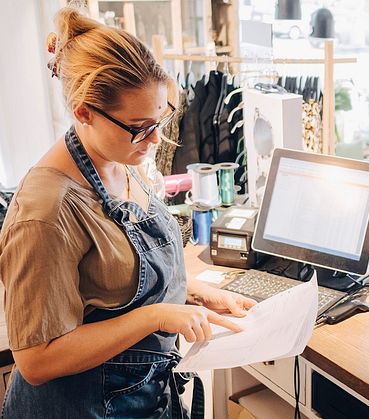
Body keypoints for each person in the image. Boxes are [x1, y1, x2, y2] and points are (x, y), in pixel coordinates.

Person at [0, 6, 255, 418]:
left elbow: (110, 281)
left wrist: (188, 293)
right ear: (84, 112)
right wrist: (156, 316)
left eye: (161, 118)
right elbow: (36, 361)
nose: (154, 139)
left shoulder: (119, 159)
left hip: (144, 399)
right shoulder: (46, 212)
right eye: (139, 126)